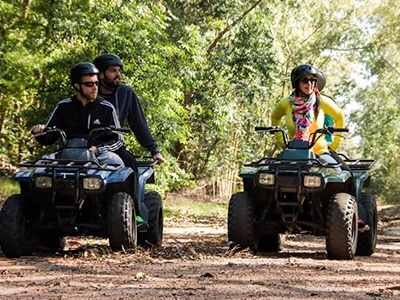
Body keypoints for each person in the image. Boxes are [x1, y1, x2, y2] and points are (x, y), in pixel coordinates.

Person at [271, 64, 369, 232]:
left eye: (313, 80)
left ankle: (355, 217)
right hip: (293, 154)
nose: (309, 84)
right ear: (297, 83)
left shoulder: (322, 102)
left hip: (320, 152)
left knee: (346, 176)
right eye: (305, 80)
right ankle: (270, 215)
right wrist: (282, 141)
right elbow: (274, 117)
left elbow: (339, 117)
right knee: (264, 178)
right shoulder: (287, 103)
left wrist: (333, 145)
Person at [32, 62, 124, 166]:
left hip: (100, 155)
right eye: (89, 84)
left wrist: (97, 149)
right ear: (77, 86)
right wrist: (39, 133)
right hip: (67, 154)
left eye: (96, 83)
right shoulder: (63, 106)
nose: (94, 88)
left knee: (117, 164)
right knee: (40, 166)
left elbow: (118, 139)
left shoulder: (107, 108)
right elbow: (50, 137)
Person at [93, 53, 164, 166]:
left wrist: (154, 150)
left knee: (131, 166)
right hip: (88, 146)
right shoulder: (90, 93)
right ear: (101, 75)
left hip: (114, 145)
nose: (118, 74)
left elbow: (139, 124)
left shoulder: (126, 93)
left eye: (119, 70)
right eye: (113, 71)